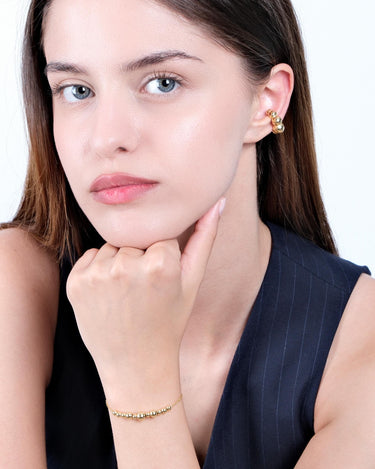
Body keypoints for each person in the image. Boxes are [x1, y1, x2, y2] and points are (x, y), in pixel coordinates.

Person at [1, 0, 374, 467]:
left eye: (162, 82)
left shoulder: (361, 343)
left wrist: (139, 382)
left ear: (266, 102)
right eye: (76, 90)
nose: (106, 138)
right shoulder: (15, 289)